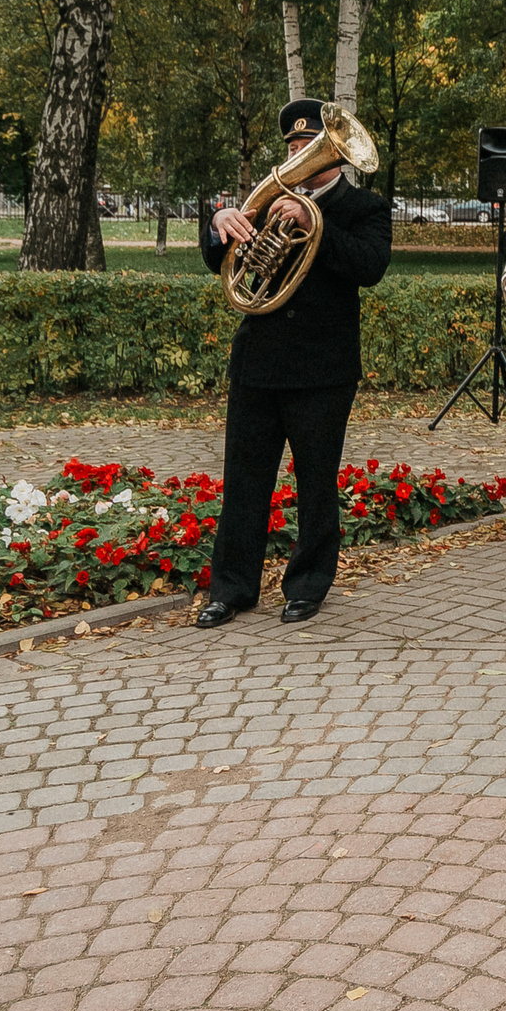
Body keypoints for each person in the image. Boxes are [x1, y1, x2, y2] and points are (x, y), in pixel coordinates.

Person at [195, 99, 394, 628]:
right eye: (291, 146)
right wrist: (219, 222)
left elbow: (370, 267)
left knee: (314, 481)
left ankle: (307, 585)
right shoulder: (268, 198)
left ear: (338, 156)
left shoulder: (364, 207)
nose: (299, 153)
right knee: (243, 481)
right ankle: (231, 590)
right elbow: (221, 261)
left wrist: (317, 222)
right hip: (257, 362)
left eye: (310, 146)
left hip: (322, 369)